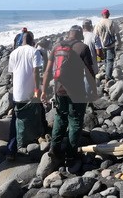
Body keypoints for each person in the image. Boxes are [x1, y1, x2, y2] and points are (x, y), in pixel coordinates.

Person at [41, 25, 96, 170]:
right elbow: (90, 72)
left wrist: (43, 91)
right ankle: (71, 155)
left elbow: (47, 71)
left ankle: (54, 148)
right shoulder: (83, 48)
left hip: (58, 90)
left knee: (60, 117)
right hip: (76, 91)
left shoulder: (56, 47)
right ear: (80, 35)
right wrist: (93, 90)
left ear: (68, 34)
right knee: (75, 121)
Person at [7, 30, 44, 159]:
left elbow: (12, 73)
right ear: (32, 40)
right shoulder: (34, 51)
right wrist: (37, 89)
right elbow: (36, 71)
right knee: (38, 114)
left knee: (16, 120)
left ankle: (11, 150)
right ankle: (39, 139)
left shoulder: (13, 53)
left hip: (17, 92)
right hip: (30, 91)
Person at [93, 9, 122, 80]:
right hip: (110, 45)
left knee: (105, 60)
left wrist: (96, 47)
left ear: (102, 15)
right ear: (109, 15)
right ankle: (108, 77)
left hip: (101, 45)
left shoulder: (98, 23)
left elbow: (95, 36)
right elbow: (117, 34)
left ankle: (107, 74)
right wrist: (119, 43)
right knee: (110, 60)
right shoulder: (112, 23)